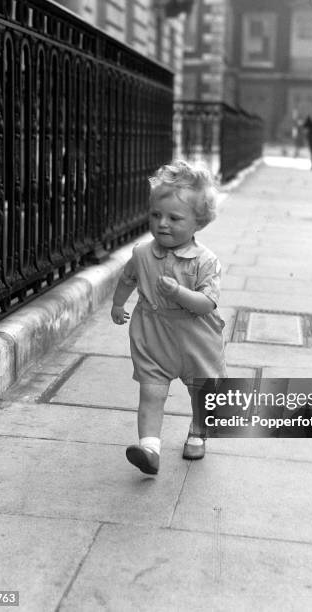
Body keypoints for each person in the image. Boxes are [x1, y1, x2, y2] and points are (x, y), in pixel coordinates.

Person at [111, 160, 227, 474]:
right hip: (153, 334)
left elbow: (206, 304)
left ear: (198, 222)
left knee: (202, 389)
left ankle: (199, 431)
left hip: (195, 338)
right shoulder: (141, 253)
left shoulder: (206, 261)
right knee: (150, 390)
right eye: (156, 215)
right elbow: (127, 279)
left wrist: (178, 293)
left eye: (174, 218)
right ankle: (149, 448)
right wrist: (118, 305)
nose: (162, 223)